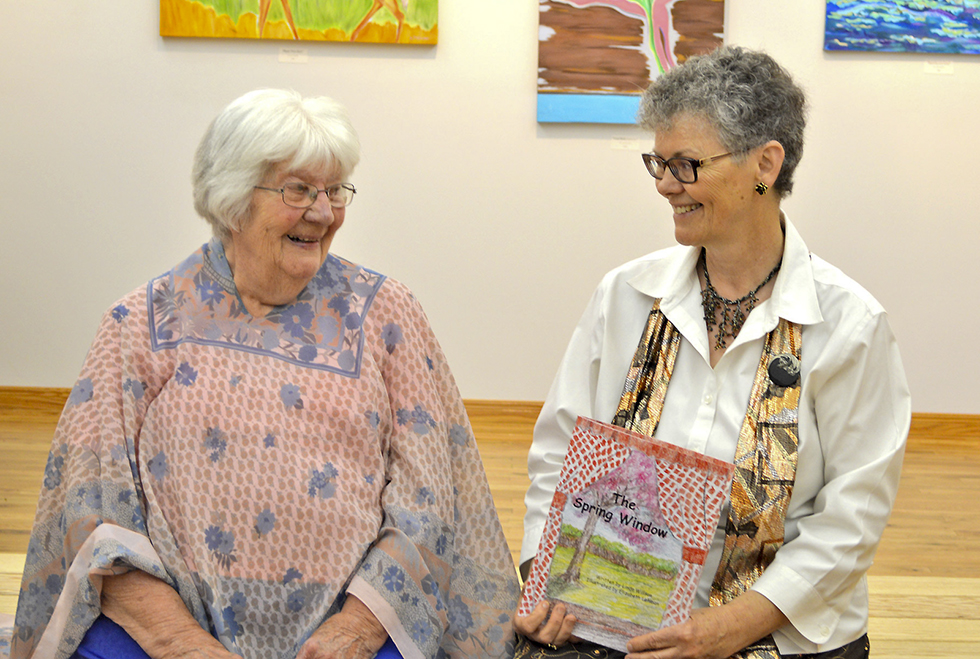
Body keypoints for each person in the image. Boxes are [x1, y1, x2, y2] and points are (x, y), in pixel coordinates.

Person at [5, 89, 519, 659]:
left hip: (356, 624)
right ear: (232, 199)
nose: (323, 213)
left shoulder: (386, 314)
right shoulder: (139, 323)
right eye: (297, 190)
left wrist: (360, 626)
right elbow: (94, 511)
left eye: (334, 191)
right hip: (165, 631)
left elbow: (429, 497)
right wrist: (179, 642)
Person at [514, 46, 910, 659]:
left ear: (766, 164)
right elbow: (558, 452)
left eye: (687, 164)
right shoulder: (624, 295)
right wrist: (546, 572)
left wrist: (729, 627)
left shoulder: (850, 325)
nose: (667, 185)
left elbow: (850, 521)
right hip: (606, 615)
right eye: (659, 163)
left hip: (774, 631)